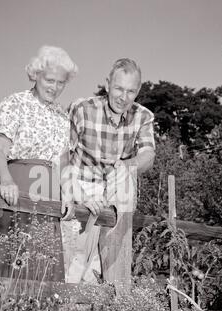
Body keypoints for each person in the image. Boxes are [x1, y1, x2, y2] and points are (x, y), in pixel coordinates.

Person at [0, 45, 78, 281]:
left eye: (61, 83)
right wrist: (6, 180)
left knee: (42, 267)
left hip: (47, 192)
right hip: (16, 185)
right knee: (7, 262)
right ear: (35, 74)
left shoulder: (62, 116)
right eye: (50, 80)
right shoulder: (15, 103)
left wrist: (67, 193)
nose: (54, 87)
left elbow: (63, 162)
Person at [63, 58, 155, 283]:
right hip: (80, 184)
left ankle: (115, 278)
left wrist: (128, 165)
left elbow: (148, 155)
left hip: (112, 190)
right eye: (119, 88)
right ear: (107, 84)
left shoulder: (143, 116)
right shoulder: (82, 108)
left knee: (95, 275)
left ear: (138, 90)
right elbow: (62, 155)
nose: (124, 97)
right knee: (72, 267)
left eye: (131, 91)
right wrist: (76, 193)